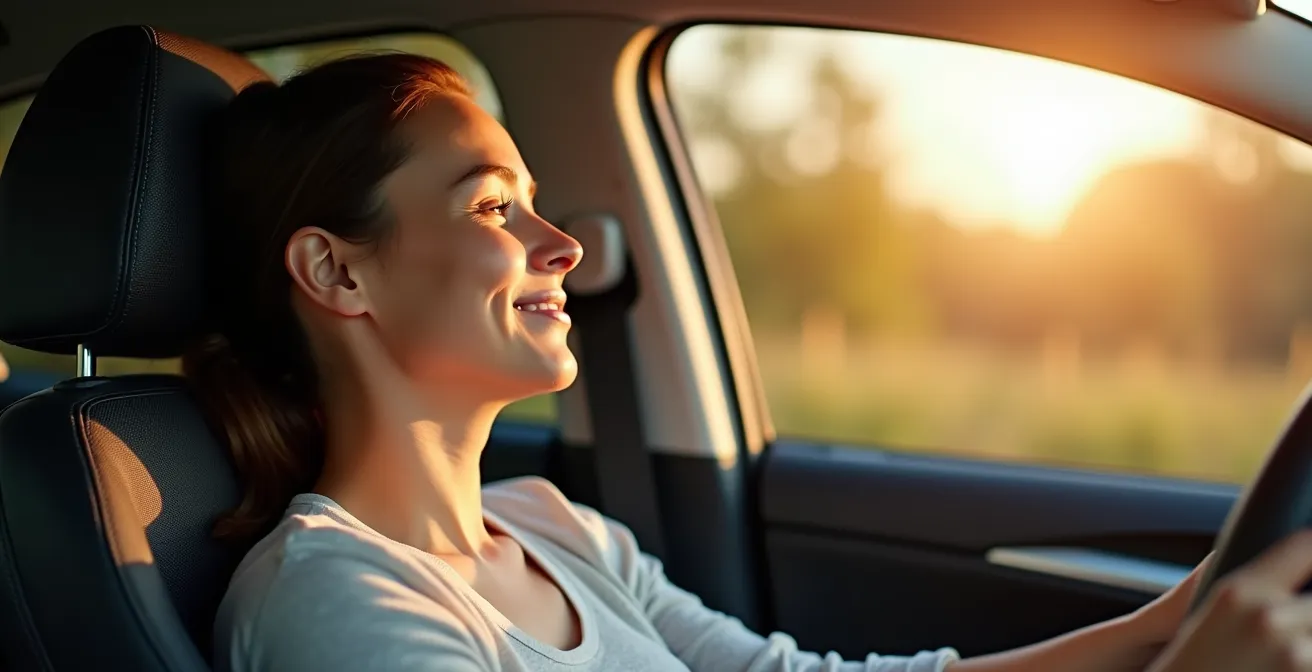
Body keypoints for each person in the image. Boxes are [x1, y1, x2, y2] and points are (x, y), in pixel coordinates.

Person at [193, 52, 1312, 672]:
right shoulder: (334, 602)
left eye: (537, 202)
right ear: (338, 275)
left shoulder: (552, 528)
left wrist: (1162, 628)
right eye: (493, 207)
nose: (563, 246)